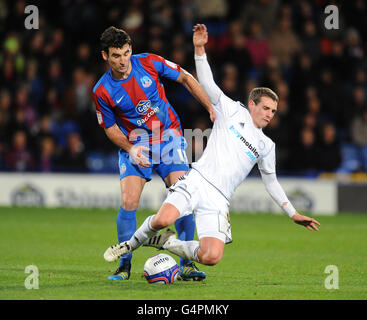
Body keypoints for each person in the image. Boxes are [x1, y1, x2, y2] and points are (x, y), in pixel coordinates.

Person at [103, 24, 320, 270]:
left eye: (273, 111)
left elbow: (271, 183)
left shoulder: (267, 146)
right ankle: (128, 248)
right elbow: (205, 81)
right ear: (251, 104)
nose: (270, 114)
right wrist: (199, 49)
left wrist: (292, 213)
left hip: (219, 199)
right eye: (266, 108)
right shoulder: (231, 110)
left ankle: (166, 243)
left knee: (211, 257)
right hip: (197, 179)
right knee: (163, 218)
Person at [93, 26, 215, 281]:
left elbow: (184, 77)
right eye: (116, 56)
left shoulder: (148, 62)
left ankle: (187, 265)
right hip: (135, 144)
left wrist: (210, 108)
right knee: (129, 201)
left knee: (184, 199)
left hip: (168, 136)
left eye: (126, 53)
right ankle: (124, 266)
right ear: (105, 56)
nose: (123, 60)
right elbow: (110, 127)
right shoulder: (102, 91)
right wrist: (130, 148)